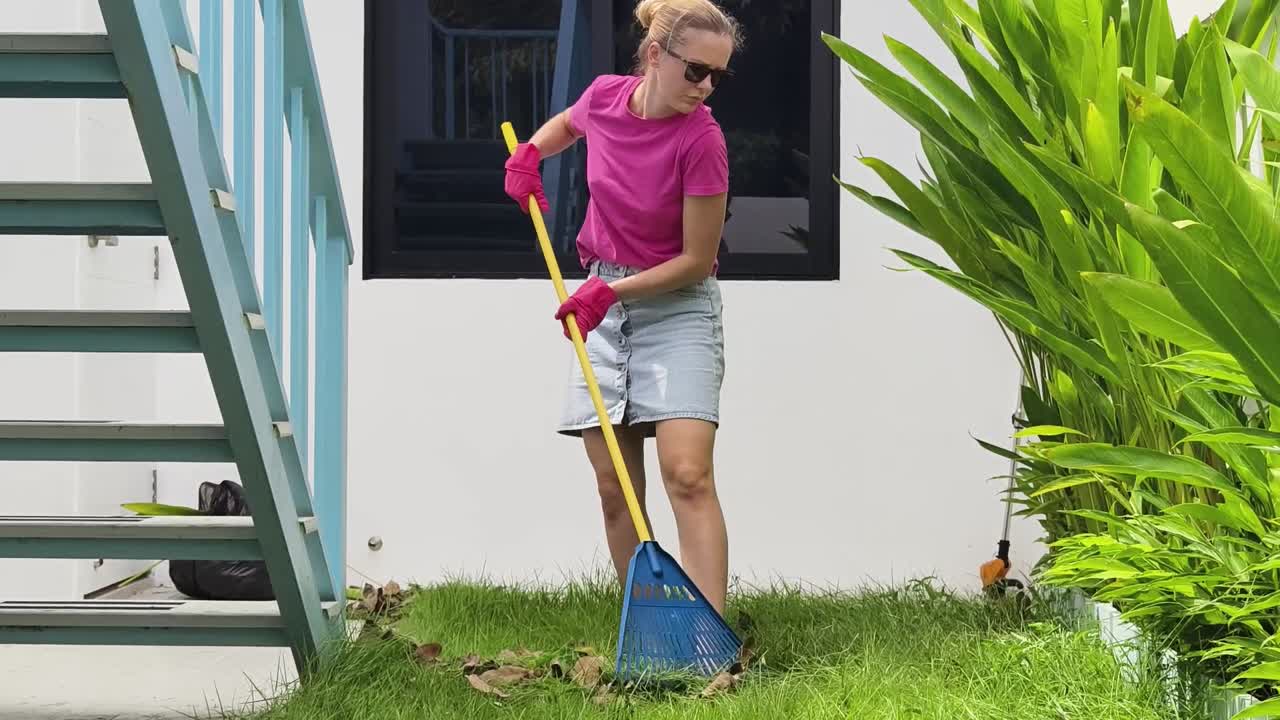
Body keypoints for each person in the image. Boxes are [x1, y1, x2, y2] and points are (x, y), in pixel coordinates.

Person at [503, 0, 741, 614]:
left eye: (718, 76)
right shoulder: (606, 97)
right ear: (655, 56)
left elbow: (696, 259)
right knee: (615, 488)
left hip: (677, 307)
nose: (706, 87)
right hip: (602, 302)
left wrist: (610, 293)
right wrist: (530, 154)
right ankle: (656, 625)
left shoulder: (702, 139)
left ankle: (710, 640)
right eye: (696, 71)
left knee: (687, 474)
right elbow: (568, 124)